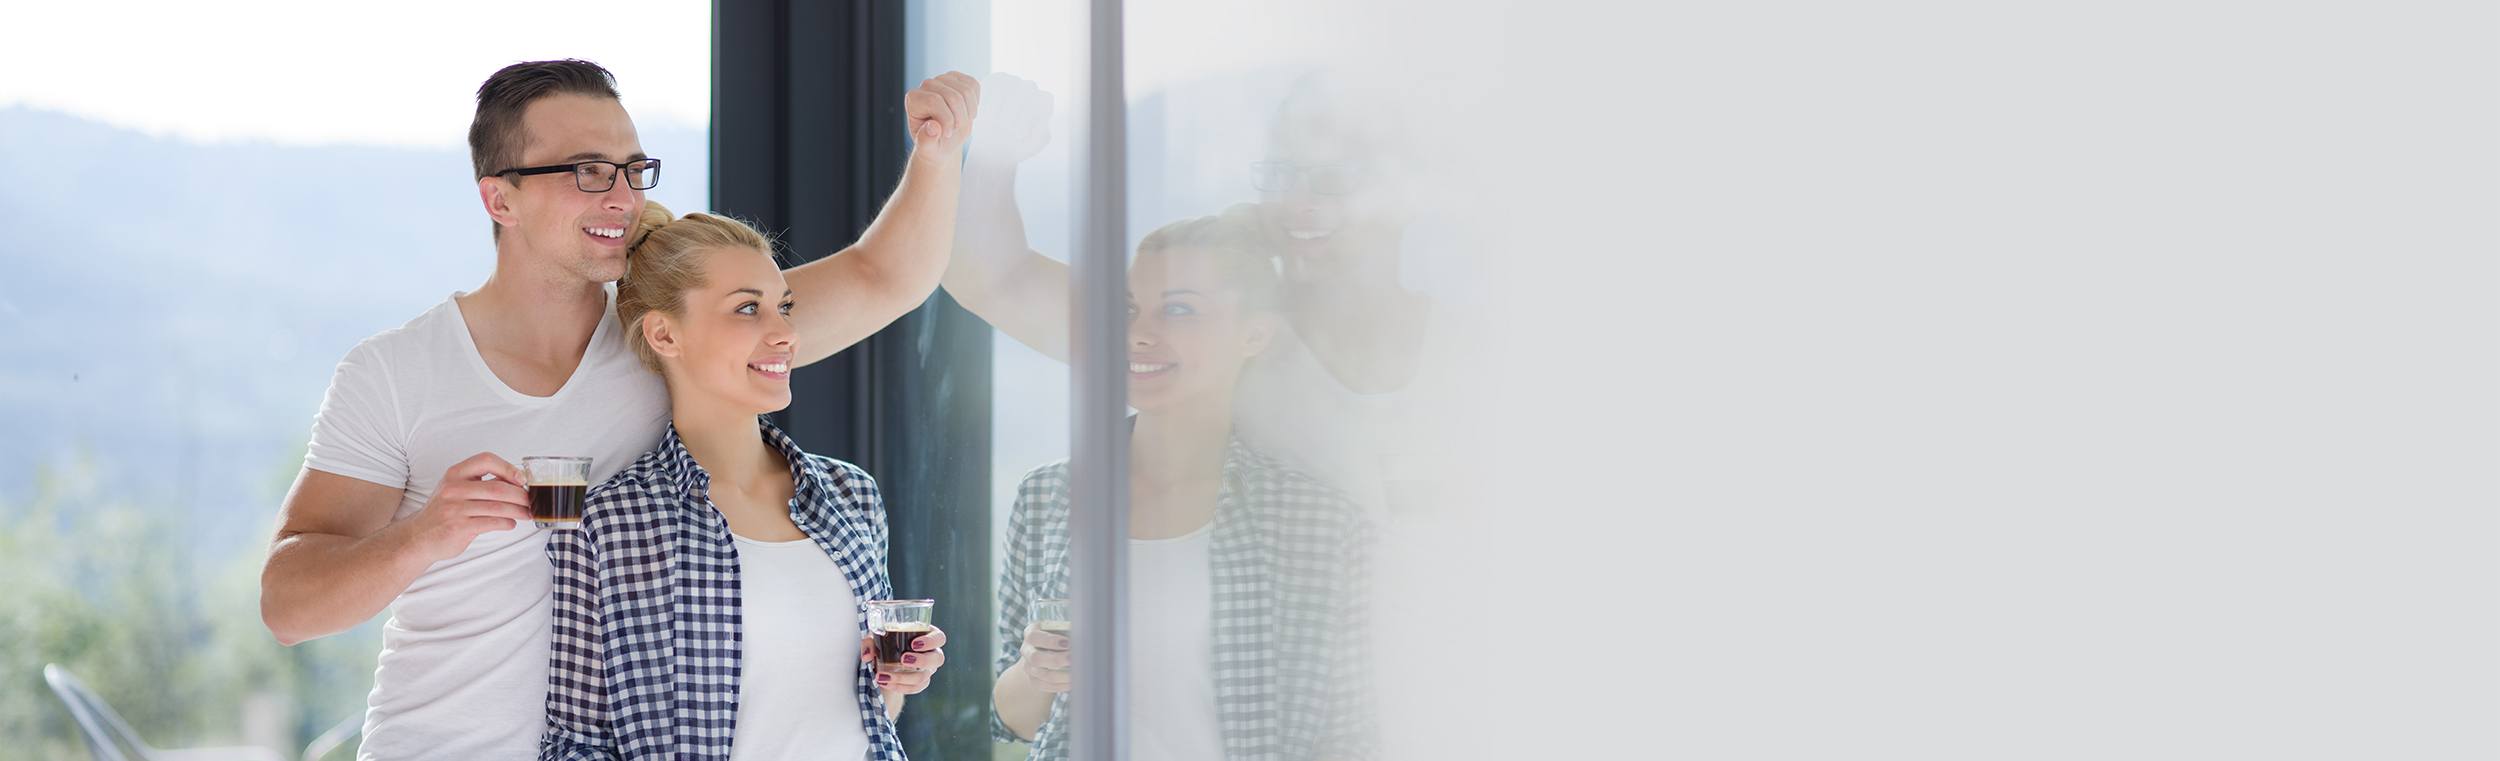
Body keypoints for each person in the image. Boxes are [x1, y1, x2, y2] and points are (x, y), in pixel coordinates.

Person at [258, 59, 978, 760]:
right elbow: (288, 606)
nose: (623, 197)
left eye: (634, 170)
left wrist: (937, 155)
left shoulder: (667, 339)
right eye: (588, 172)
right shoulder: (394, 373)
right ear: (500, 200)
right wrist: (423, 535)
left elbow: (881, 277)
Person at [540, 204, 948, 760]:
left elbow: (867, 716)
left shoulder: (850, 495)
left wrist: (900, 676)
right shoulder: (611, 525)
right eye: (748, 309)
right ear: (664, 334)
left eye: (785, 307)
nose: (785, 334)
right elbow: (575, 743)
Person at [990, 210, 1376, 760]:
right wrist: (1037, 672)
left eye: (1178, 310)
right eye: (1128, 309)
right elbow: (1013, 720)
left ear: (1255, 333)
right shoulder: (1048, 495)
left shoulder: (1319, 525)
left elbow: (1353, 735)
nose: (1138, 334)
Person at [945, 73, 1427, 512]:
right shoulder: (1218, 329)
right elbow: (992, 280)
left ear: (1404, 192)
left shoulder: (1461, 349)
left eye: (1333, 180)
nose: (1298, 202)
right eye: (1281, 176)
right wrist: (995, 147)